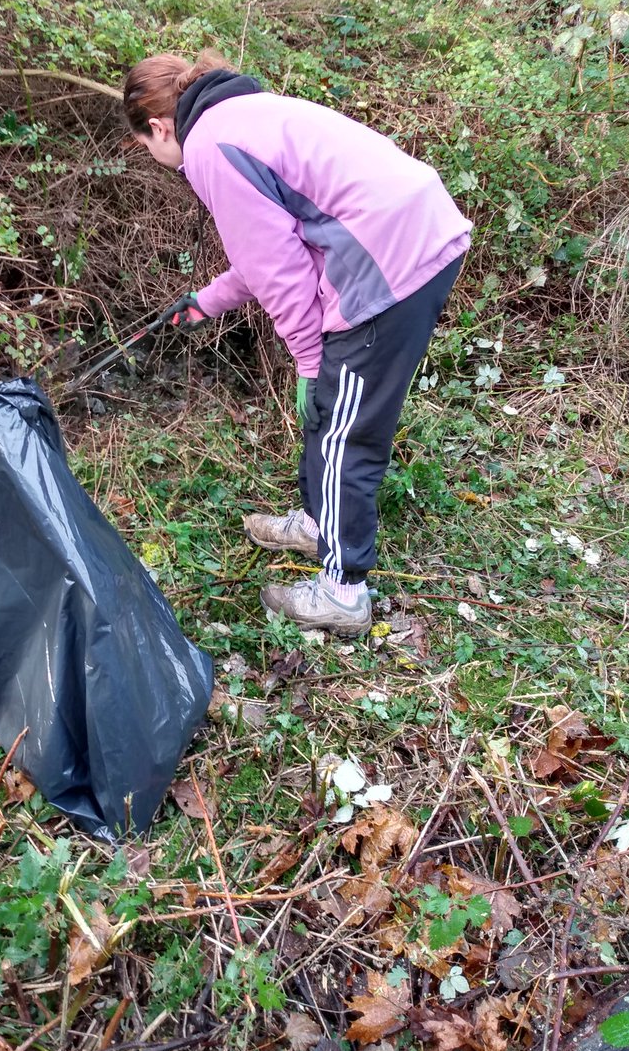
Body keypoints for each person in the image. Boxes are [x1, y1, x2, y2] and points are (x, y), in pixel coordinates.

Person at [122, 51, 471, 637]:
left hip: (387, 261)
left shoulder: (207, 146)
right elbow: (274, 250)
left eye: (147, 147)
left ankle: (343, 591)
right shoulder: (242, 113)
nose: (158, 160)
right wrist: (206, 301)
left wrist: (310, 360)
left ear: (158, 127)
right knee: (333, 405)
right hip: (408, 234)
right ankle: (318, 521)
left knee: (342, 423)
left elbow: (281, 273)